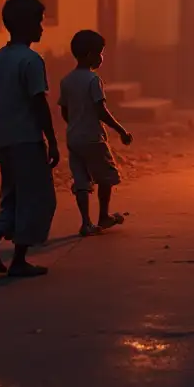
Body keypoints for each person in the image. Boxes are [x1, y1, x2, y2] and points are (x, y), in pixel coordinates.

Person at [0, 0, 60, 278]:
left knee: (12, 195)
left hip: (5, 138)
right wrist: (51, 139)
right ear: (26, 25)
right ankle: (20, 259)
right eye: (38, 22)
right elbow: (39, 103)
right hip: (27, 139)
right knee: (37, 197)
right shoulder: (31, 61)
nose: (41, 28)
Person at [58, 29, 133, 237]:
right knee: (105, 177)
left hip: (74, 138)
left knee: (81, 180)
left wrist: (75, 125)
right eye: (101, 52)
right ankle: (103, 216)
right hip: (93, 138)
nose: (102, 57)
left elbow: (65, 110)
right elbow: (101, 111)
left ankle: (85, 222)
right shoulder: (93, 80)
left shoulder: (67, 81)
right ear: (91, 54)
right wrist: (121, 130)